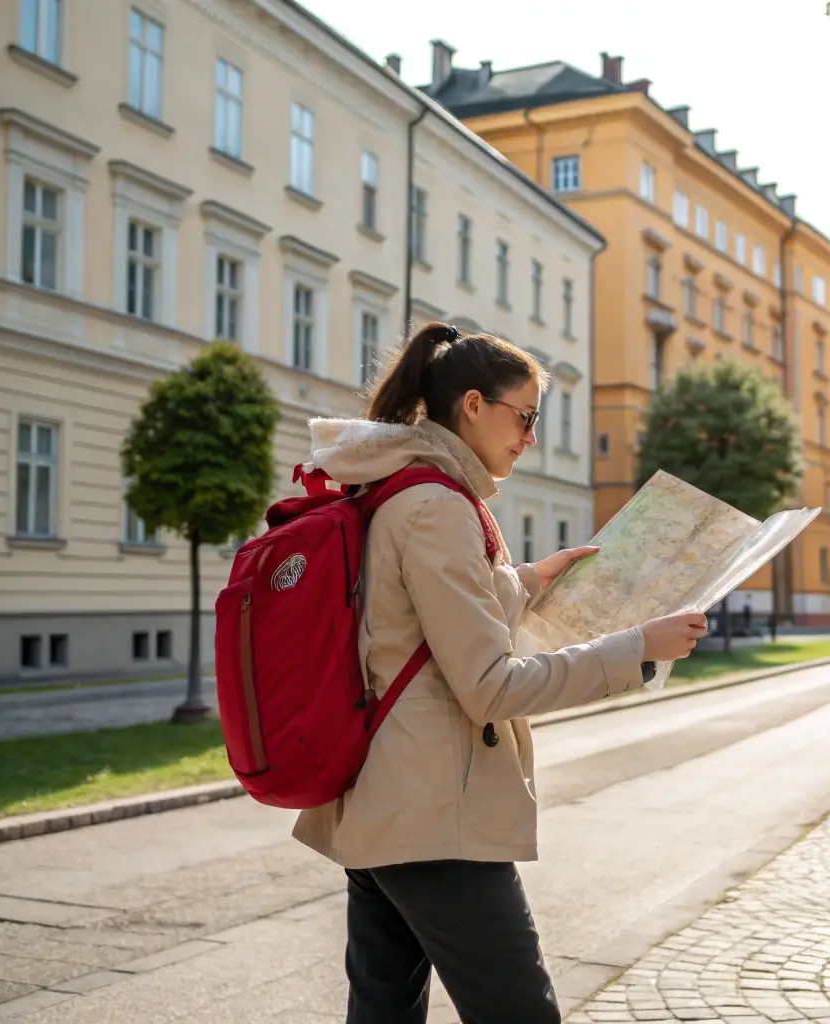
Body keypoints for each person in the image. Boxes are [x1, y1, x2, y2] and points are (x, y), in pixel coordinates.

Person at [292, 322, 709, 1024]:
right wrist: (637, 646)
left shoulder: (399, 487)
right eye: (526, 416)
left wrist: (529, 579)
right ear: (475, 405)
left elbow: (412, 624)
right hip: (431, 812)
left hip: (384, 801)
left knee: (382, 1013)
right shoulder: (437, 506)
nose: (531, 437)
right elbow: (491, 686)